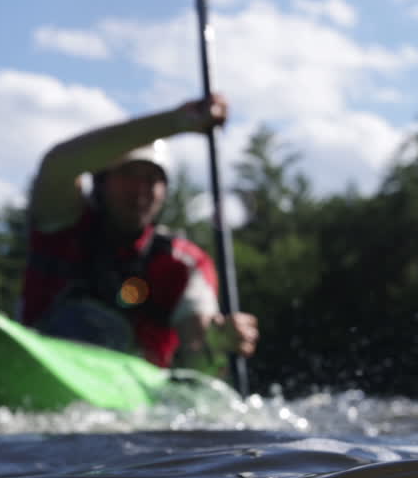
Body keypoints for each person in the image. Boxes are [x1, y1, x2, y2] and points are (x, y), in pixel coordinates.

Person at [21, 94, 258, 373]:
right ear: (102, 182)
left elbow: (197, 342)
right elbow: (58, 164)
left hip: (135, 395)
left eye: (152, 179)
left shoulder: (182, 263)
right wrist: (177, 121)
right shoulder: (63, 223)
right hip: (43, 362)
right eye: (128, 175)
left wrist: (216, 343)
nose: (140, 189)